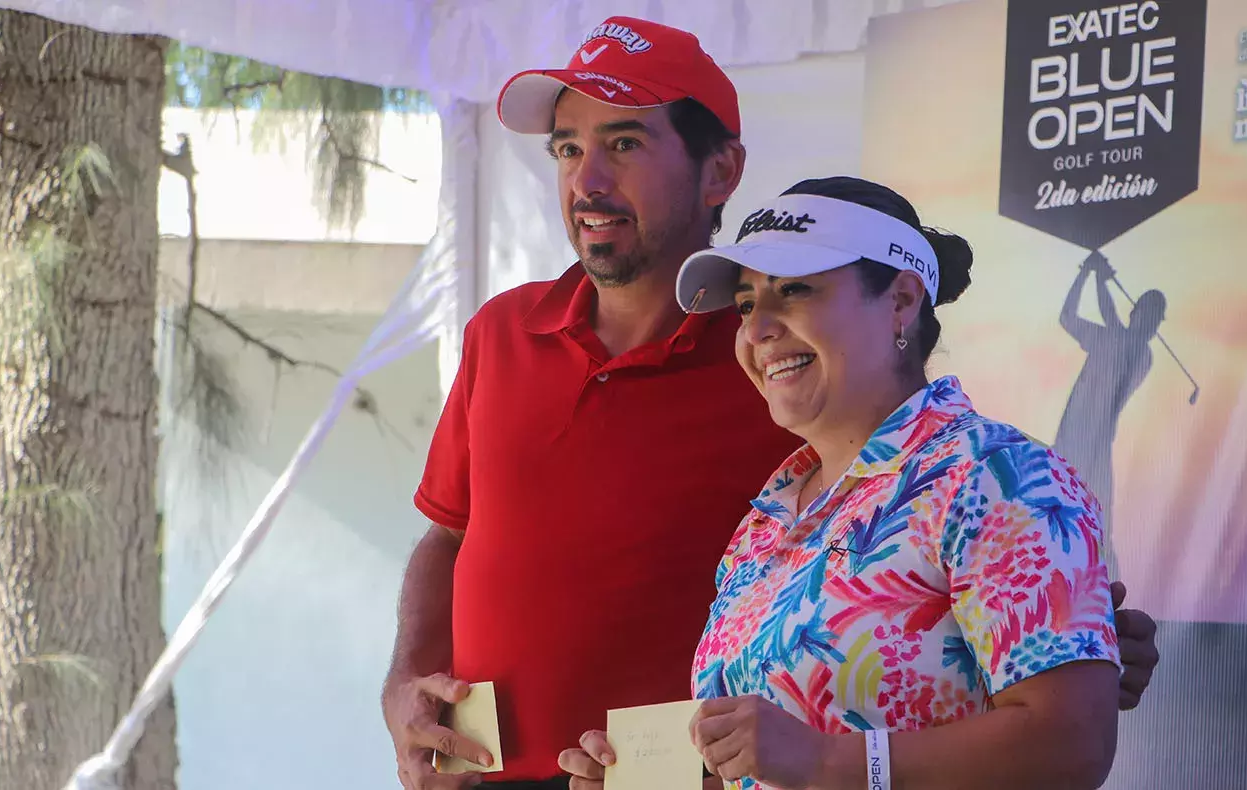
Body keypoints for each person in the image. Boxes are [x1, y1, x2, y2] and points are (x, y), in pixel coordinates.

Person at [381, 16, 1159, 790]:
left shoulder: (953, 457)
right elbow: (753, 731)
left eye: (623, 143)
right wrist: (414, 686)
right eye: (567, 149)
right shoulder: (775, 508)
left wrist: (1060, 636)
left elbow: (1056, 727)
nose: (586, 181)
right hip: (495, 774)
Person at [559, 176, 1122, 790]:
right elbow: (762, 763)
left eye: (795, 290)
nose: (757, 329)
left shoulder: (997, 475)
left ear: (902, 300)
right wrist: (651, 780)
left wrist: (831, 764)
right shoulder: (766, 520)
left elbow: (1070, 742)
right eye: (746, 304)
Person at [1053, 251, 1167, 580]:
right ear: (1137, 313)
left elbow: (1112, 320)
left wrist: (1098, 277)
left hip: (1096, 443)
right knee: (1057, 513)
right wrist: (1086, 275)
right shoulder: (1109, 337)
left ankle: (1106, 594)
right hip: (1071, 435)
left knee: (1100, 522)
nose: (1152, 323)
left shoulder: (1140, 353)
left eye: (1157, 319)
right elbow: (1067, 316)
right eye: (1149, 314)